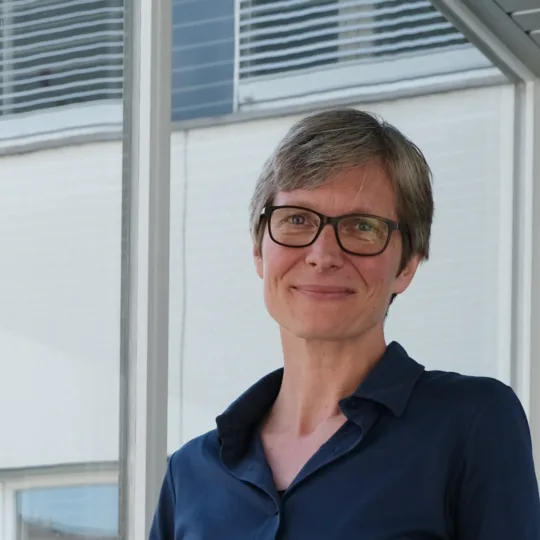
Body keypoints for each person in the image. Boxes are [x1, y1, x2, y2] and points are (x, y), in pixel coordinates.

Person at [149, 109, 540, 539]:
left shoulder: (471, 423)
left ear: (408, 265)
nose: (322, 254)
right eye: (296, 219)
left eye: (361, 227)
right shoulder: (189, 474)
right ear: (259, 251)